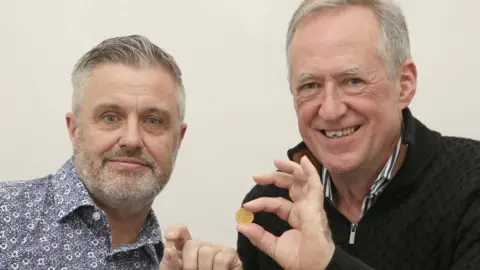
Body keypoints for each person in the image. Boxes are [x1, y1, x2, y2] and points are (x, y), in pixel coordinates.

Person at [235, 0, 480, 269]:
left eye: (353, 81)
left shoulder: (470, 184)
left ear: (404, 84)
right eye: (310, 85)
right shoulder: (270, 209)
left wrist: (326, 264)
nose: (330, 110)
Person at [0, 35, 240, 270]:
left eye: (153, 121)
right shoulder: (5, 214)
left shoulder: (174, 264)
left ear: (178, 139)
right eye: (110, 117)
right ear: (74, 129)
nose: (132, 140)